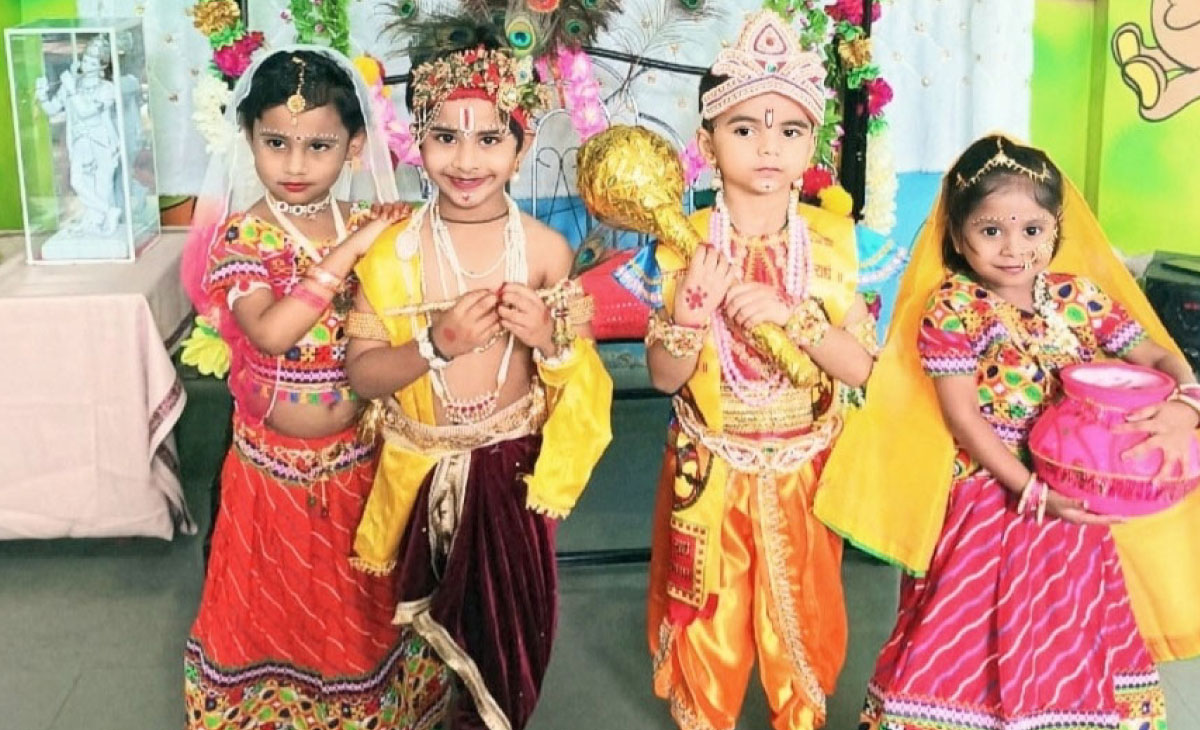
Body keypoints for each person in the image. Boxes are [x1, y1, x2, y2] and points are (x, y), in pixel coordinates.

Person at [815, 134, 1200, 729]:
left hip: (1077, 501)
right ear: (958, 234)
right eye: (991, 230)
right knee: (965, 639)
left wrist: (1187, 403)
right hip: (988, 500)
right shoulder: (952, 307)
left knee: (1069, 635)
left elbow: (1158, 356)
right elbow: (963, 417)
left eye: (1032, 230)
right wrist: (1029, 488)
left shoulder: (1077, 298)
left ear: (1055, 230)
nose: (1014, 248)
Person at [343, 34, 614, 730]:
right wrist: (436, 344)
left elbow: (584, 384)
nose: (466, 161)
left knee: (507, 645)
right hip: (416, 469)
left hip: (511, 474)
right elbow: (364, 375)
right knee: (419, 653)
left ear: (520, 149)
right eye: (444, 137)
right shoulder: (391, 252)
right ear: (416, 144)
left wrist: (548, 343)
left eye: (490, 138)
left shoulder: (547, 253)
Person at [179, 46, 449, 730]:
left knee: (355, 604)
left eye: (318, 145)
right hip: (271, 476)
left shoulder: (372, 229)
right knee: (272, 603)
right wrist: (347, 254)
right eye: (276, 143)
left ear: (354, 147)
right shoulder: (246, 237)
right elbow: (270, 331)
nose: (295, 166)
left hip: (361, 461)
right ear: (249, 141)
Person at [623, 11, 879, 730]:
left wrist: (798, 317)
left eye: (790, 130)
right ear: (706, 143)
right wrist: (692, 313)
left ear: (813, 144)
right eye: (744, 129)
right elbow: (667, 377)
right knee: (709, 613)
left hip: (806, 466)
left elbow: (860, 369)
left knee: (807, 613)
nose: (769, 147)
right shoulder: (686, 243)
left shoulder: (832, 239)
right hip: (710, 467)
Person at [35, 34, 121, 235]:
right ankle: (108, 211)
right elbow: (53, 109)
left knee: (102, 185)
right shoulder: (74, 83)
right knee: (77, 181)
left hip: (102, 142)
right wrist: (42, 95)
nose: (87, 64)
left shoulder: (106, 88)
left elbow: (87, 111)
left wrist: (72, 90)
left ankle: (99, 220)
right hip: (80, 141)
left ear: (102, 66)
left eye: (92, 62)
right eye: (85, 60)